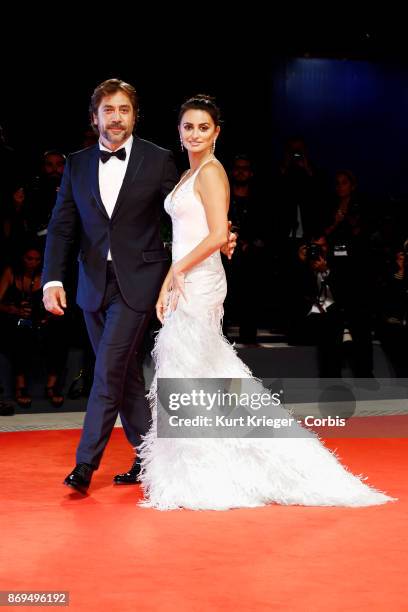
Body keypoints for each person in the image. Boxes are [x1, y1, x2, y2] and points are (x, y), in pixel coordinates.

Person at [137, 95, 394, 511]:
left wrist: (174, 271)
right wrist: (177, 269)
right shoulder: (191, 172)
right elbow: (207, 230)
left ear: (216, 132)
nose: (195, 134)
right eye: (188, 126)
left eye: (204, 127)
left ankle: (215, 469)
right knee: (198, 374)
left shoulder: (212, 172)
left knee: (193, 373)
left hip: (198, 281)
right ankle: (201, 466)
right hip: (191, 276)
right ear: (179, 131)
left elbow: (219, 234)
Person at [42, 79, 235, 493]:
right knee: (125, 373)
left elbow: (187, 207)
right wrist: (52, 279)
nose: (116, 117)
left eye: (124, 109)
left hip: (141, 282)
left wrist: (226, 234)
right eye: (108, 110)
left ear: (134, 115)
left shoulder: (160, 158)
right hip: (92, 284)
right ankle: (149, 455)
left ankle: (84, 464)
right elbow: (61, 228)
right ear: (95, 118)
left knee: (108, 368)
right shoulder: (75, 164)